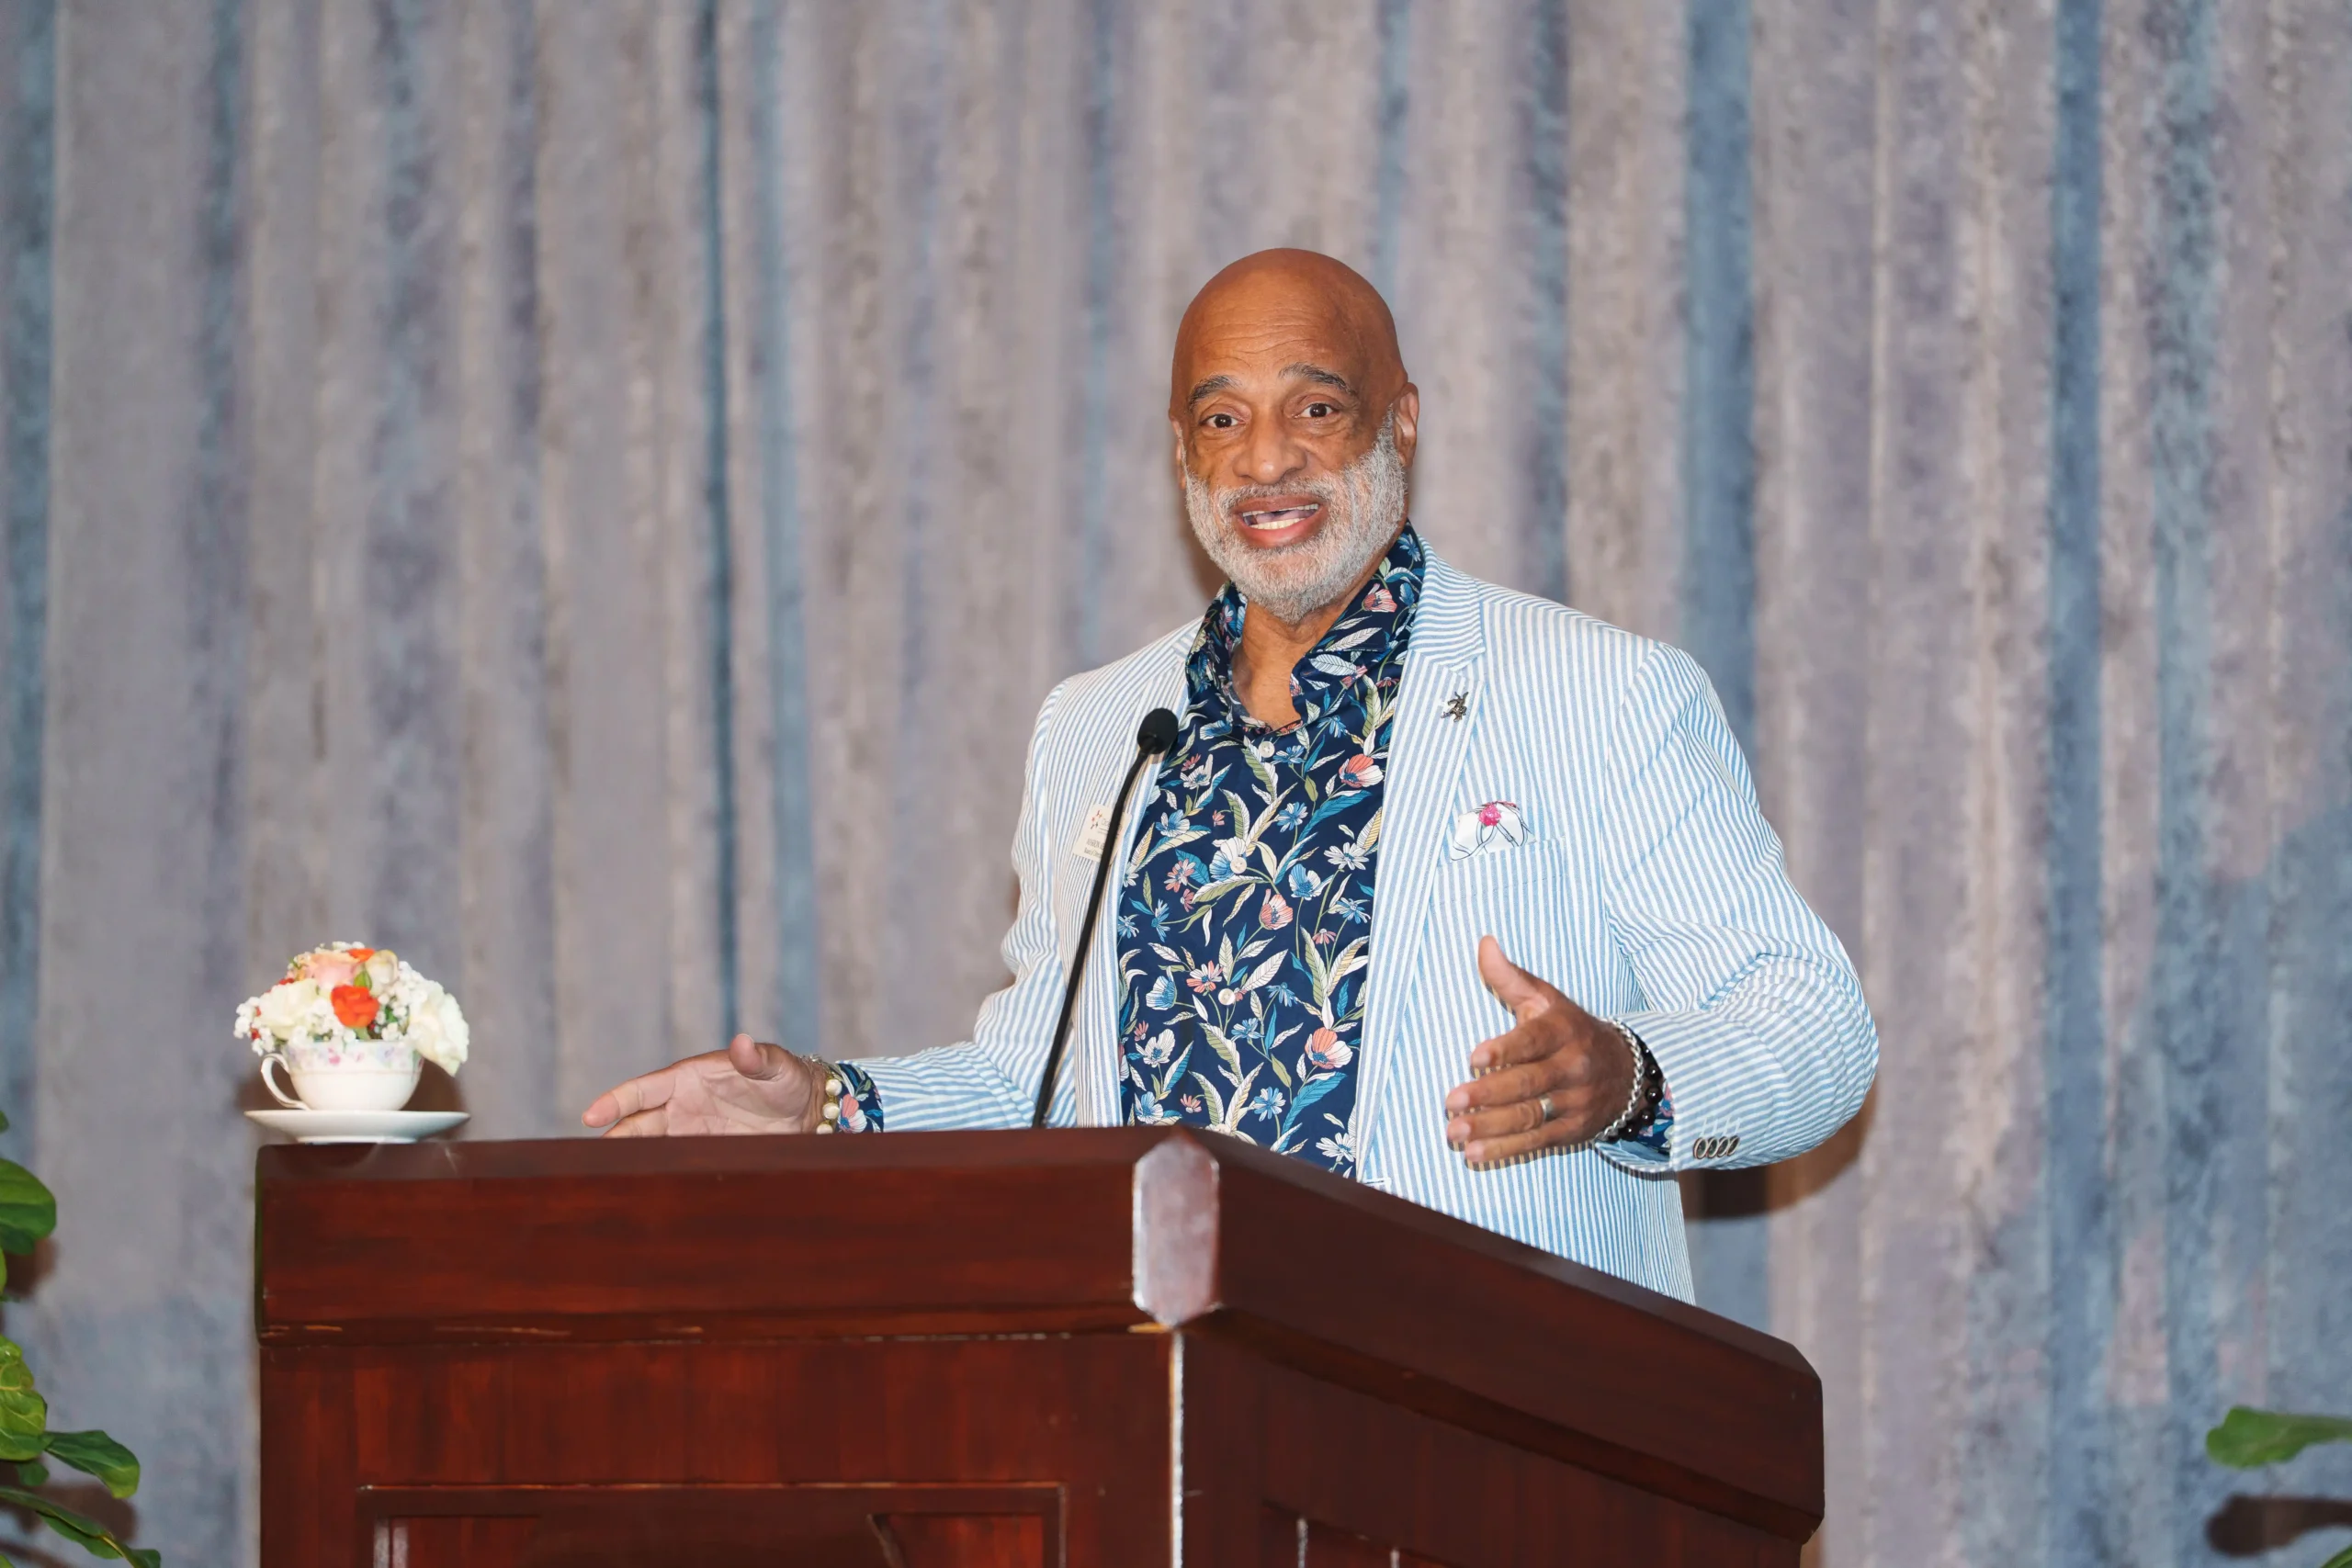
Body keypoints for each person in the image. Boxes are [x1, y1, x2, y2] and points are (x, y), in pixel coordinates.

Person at [583, 248, 1875, 1300]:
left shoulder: (1597, 693)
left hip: (1487, 1419)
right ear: (1181, 452)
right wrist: (828, 1107)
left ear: (1400, 420)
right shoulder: (1102, 726)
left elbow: (1811, 1029)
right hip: (1165, 1413)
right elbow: (1042, 1081)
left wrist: (1629, 1078)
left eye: (1315, 408)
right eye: (1222, 418)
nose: (1265, 461)